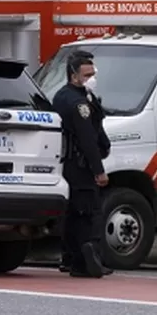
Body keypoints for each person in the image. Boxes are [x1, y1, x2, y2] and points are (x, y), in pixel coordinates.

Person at [52, 50, 112, 278]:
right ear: (73, 75)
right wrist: (99, 170)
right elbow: (87, 139)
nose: (91, 78)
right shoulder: (76, 101)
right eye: (86, 74)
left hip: (75, 163)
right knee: (87, 213)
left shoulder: (83, 96)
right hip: (79, 164)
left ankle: (70, 258)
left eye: (93, 73)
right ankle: (86, 260)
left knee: (75, 214)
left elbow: (98, 128)